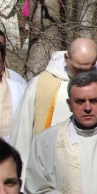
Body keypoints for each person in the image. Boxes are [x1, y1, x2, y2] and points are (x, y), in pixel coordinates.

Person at [24, 70, 97, 194]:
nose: (88, 107)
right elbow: (34, 192)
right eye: (80, 101)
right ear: (69, 104)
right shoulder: (46, 141)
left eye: (94, 100)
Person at [9, 37, 97, 176]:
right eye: (78, 70)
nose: (83, 76)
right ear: (67, 58)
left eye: (88, 70)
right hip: (49, 173)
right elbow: (22, 133)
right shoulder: (40, 85)